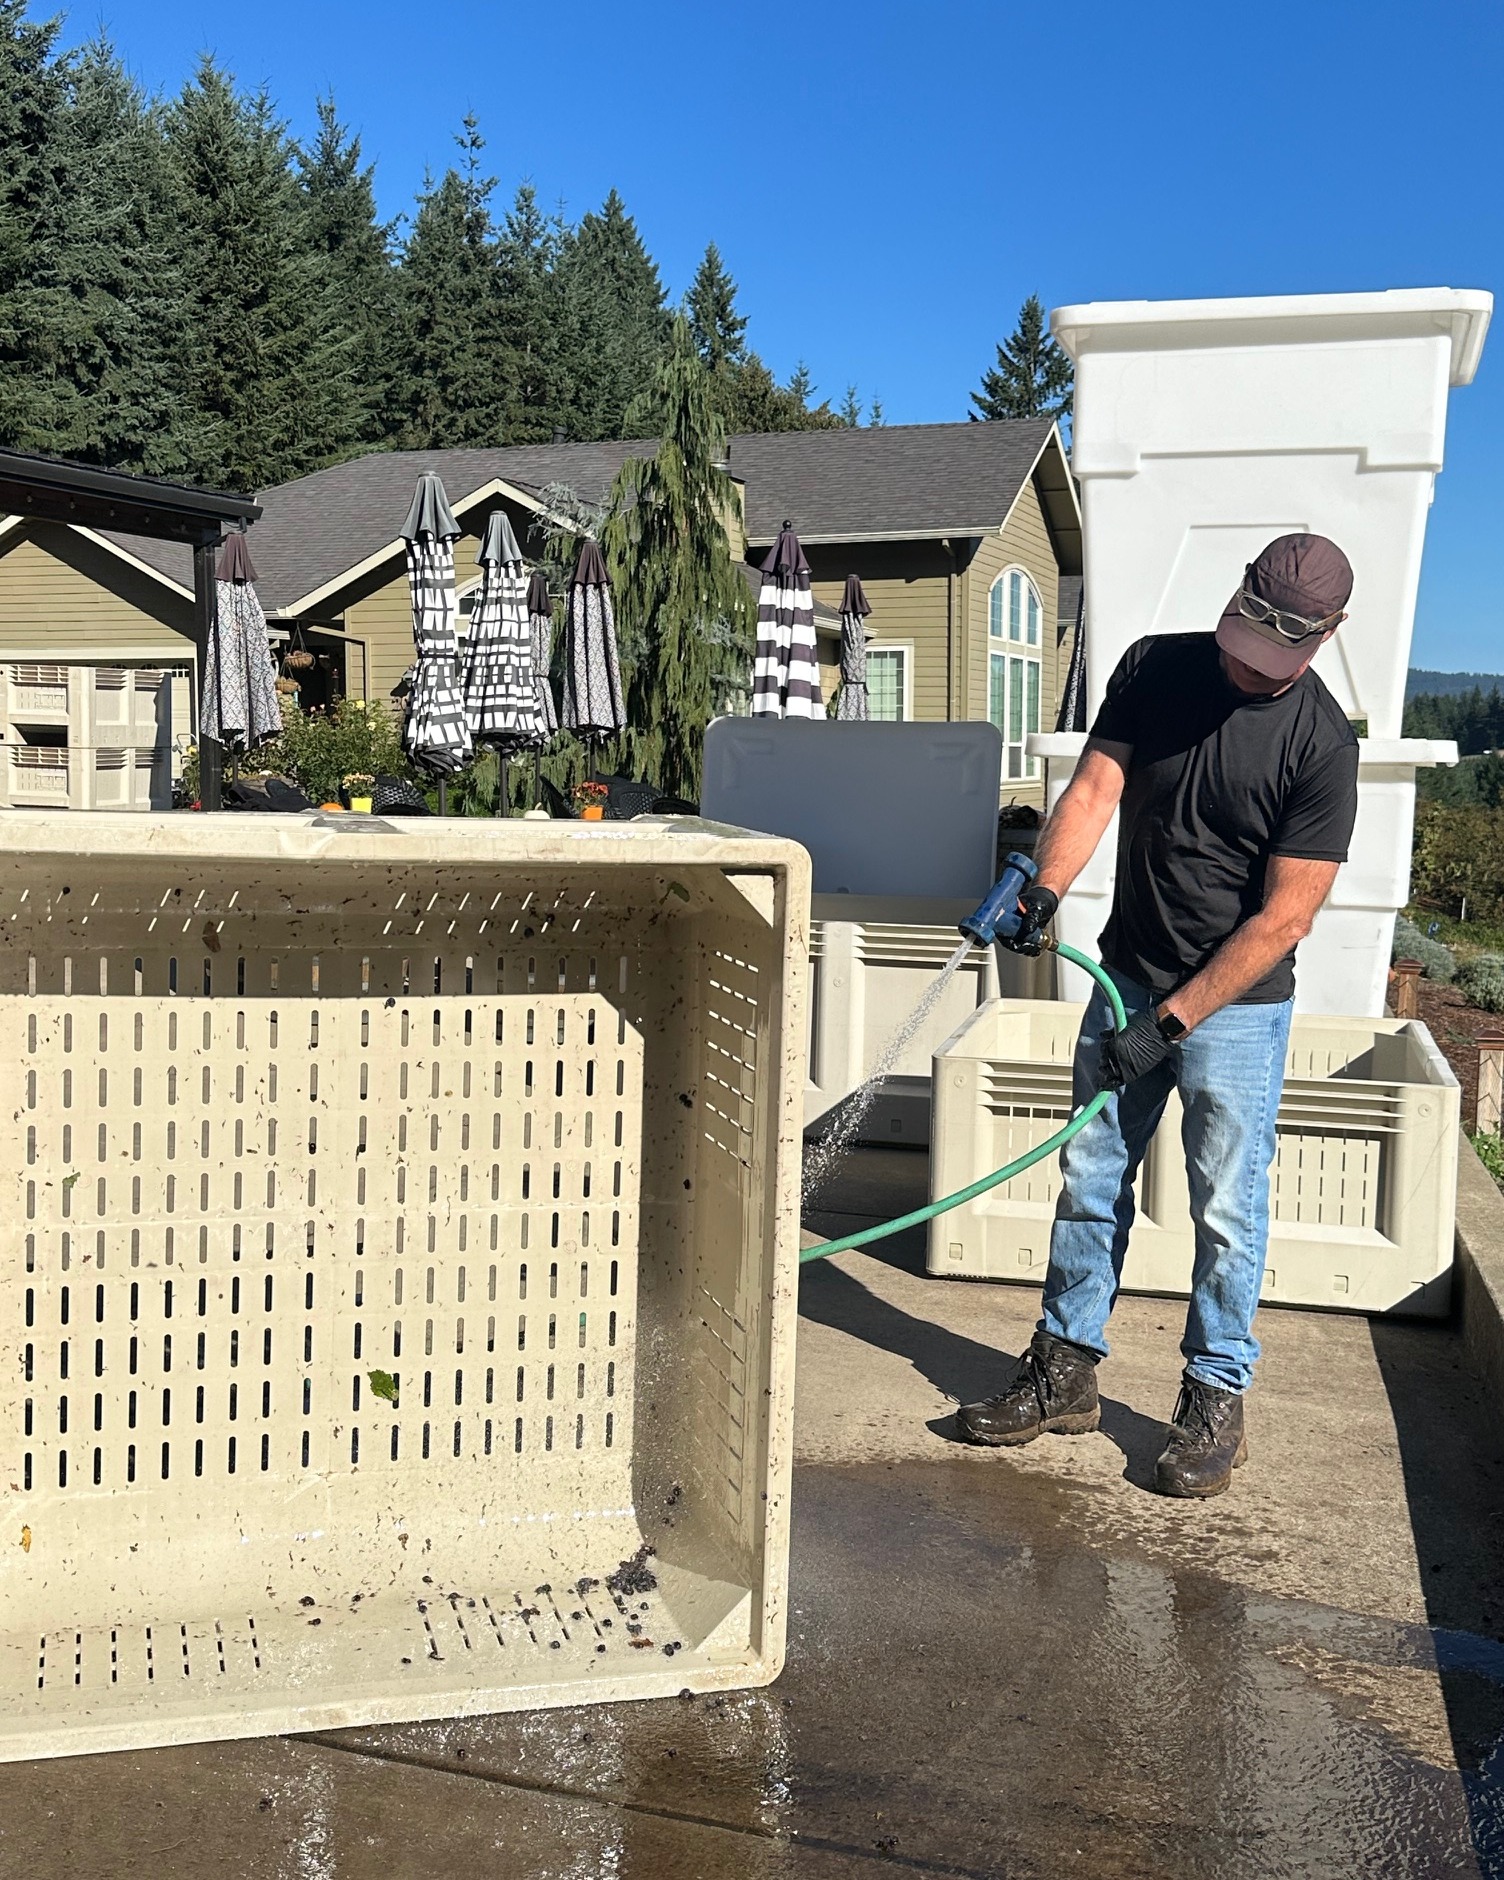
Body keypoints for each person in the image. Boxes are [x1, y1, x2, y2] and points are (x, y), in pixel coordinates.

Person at [958, 534, 1360, 1498]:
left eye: (1270, 661)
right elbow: (1098, 786)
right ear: (1236, 600)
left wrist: (1169, 1024)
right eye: (1239, 645)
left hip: (1237, 1009)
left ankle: (1215, 1396)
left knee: (1227, 1207)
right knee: (1091, 1178)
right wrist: (1047, 888)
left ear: (1325, 636)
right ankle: (1064, 1370)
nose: (1243, 669)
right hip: (1126, 974)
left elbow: (1285, 919)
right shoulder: (1153, 667)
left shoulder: (1321, 744)